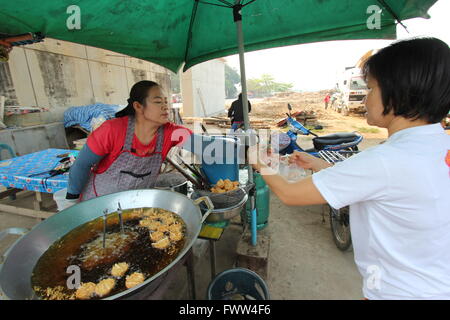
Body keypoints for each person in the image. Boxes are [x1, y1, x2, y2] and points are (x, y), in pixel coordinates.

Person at [249, 38, 450, 299]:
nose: (365, 99)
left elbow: (290, 193)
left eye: (371, 88)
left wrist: (257, 161)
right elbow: (381, 185)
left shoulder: (387, 159)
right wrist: (321, 165)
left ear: (398, 91)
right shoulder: (437, 144)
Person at [66, 80, 207, 201]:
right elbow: (81, 165)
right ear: (138, 106)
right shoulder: (112, 130)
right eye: (158, 102)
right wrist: (72, 199)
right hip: (100, 204)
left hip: (136, 205)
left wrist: (226, 149)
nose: (166, 107)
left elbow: (206, 147)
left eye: (166, 102)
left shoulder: (170, 132)